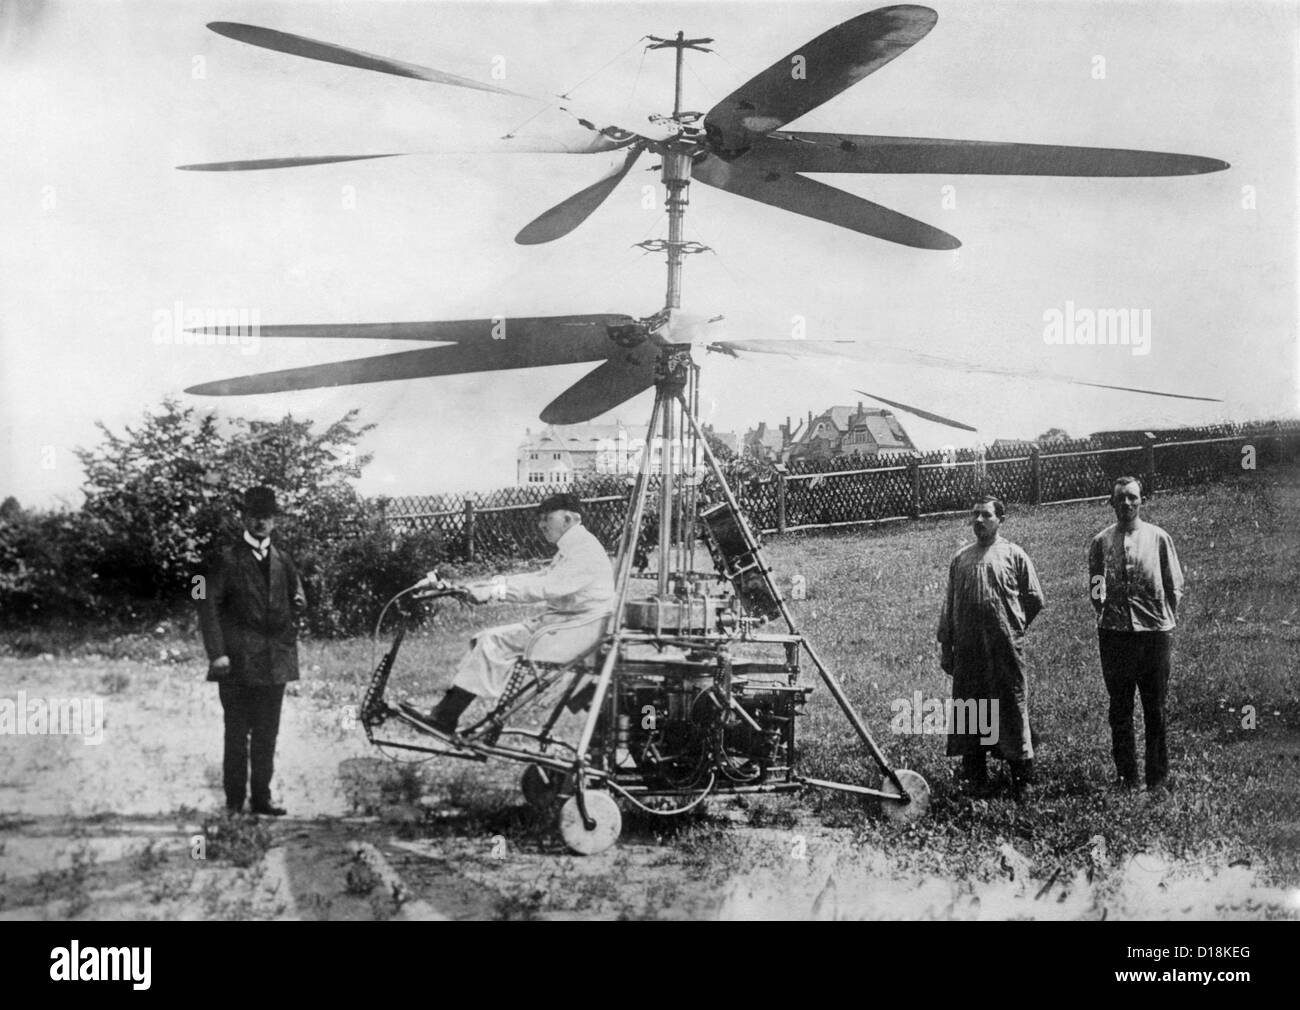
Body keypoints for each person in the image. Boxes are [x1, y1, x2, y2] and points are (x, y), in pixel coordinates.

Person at [423, 493, 615, 735]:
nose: (541, 524)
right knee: (487, 638)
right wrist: (490, 585)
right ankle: (446, 713)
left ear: (569, 518)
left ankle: (445, 717)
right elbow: (540, 577)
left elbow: (546, 587)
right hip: (570, 625)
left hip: (577, 631)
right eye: (540, 519)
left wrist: (495, 591)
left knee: (492, 641)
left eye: (547, 518)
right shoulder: (574, 545)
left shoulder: (583, 551)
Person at [197, 486, 306, 816]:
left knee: (267, 734)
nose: (261, 522)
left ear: (274, 521)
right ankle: (233, 802)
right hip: (238, 663)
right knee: (236, 734)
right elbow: (206, 606)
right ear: (244, 518)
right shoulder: (224, 559)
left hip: (275, 663)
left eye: (267, 517)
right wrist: (217, 653)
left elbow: (297, 598)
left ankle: (262, 798)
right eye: (254, 516)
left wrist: (294, 619)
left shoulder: (283, 559)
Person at [937, 496, 1045, 798]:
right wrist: (948, 647)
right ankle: (975, 777)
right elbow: (950, 606)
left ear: (1001, 520)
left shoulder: (1014, 555)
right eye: (975, 516)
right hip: (969, 652)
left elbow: (1034, 599)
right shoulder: (961, 559)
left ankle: (1022, 778)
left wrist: (1012, 628)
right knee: (972, 708)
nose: (979, 521)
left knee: (1010, 706)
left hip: (1004, 651)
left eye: (986, 515)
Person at [1089, 476, 1184, 794]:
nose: (1126, 503)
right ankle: (1126, 777)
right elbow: (1096, 587)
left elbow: (1174, 585)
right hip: (1115, 636)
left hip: (1154, 634)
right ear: (1111, 502)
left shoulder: (1159, 538)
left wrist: (1161, 617)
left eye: (1132, 497)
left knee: (1155, 708)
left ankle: (1157, 778)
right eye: (1120, 498)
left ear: (1142, 500)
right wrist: (1108, 614)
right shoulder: (1101, 542)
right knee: (1120, 708)